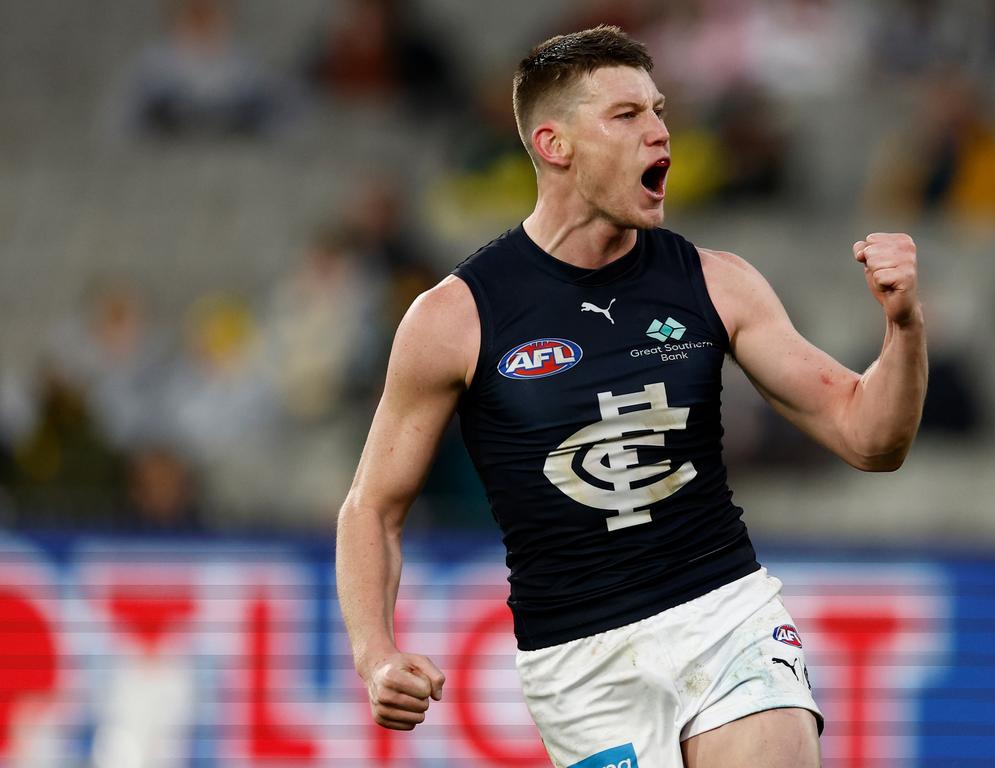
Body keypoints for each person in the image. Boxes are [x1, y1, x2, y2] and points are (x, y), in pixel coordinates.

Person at [336, 26, 926, 768]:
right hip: (578, 663)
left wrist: (903, 325)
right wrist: (375, 655)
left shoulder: (715, 280)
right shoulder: (455, 318)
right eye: (627, 116)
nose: (660, 131)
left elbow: (870, 437)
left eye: (659, 109)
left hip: (724, 616)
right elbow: (372, 507)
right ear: (556, 145)